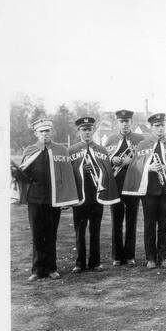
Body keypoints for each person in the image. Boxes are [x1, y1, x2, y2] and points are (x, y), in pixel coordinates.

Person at [12, 118, 79, 281]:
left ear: (52, 132)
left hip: (54, 199)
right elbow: (24, 176)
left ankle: (51, 268)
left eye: (47, 130)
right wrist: (16, 173)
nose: (45, 134)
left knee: (50, 234)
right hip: (35, 198)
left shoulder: (61, 150)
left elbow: (68, 176)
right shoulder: (30, 150)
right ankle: (37, 269)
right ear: (36, 133)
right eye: (41, 131)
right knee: (36, 233)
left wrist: (66, 199)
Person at [122, 113, 166, 269]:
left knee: (165, 224)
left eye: (162, 125)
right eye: (157, 126)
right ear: (151, 128)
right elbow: (135, 166)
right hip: (149, 191)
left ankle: (163, 257)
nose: (160, 128)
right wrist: (148, 167)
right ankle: (150, 257)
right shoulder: (143, 144)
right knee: (149, 224)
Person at [69, 117, 120, 273]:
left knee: (95, 231)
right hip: (80, 197)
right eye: (84, 130)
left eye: (89, 129)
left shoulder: (101, 150)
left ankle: (95, 262)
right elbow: (68, 174)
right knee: (80, 231)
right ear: (79, 132)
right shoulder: (71, 150)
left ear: (93, 131)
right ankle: (80, 263)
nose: (87, 133)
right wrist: (80, 171)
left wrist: (97, 171)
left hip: (96, 196)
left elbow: (107, 171)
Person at [104, 109, 144, 266]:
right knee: (116, 220)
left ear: (131, 122)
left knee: (132, 220)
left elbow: (145, 161)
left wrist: (131, 161)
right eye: (122, 121)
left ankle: (130, 255)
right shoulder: (111, 139)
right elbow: (104, 160)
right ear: (117, 122)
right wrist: (112, 159)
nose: (125, 124)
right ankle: (117, 256)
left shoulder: (140, 139)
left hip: (133, 185)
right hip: (116, 185)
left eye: (127, 121)